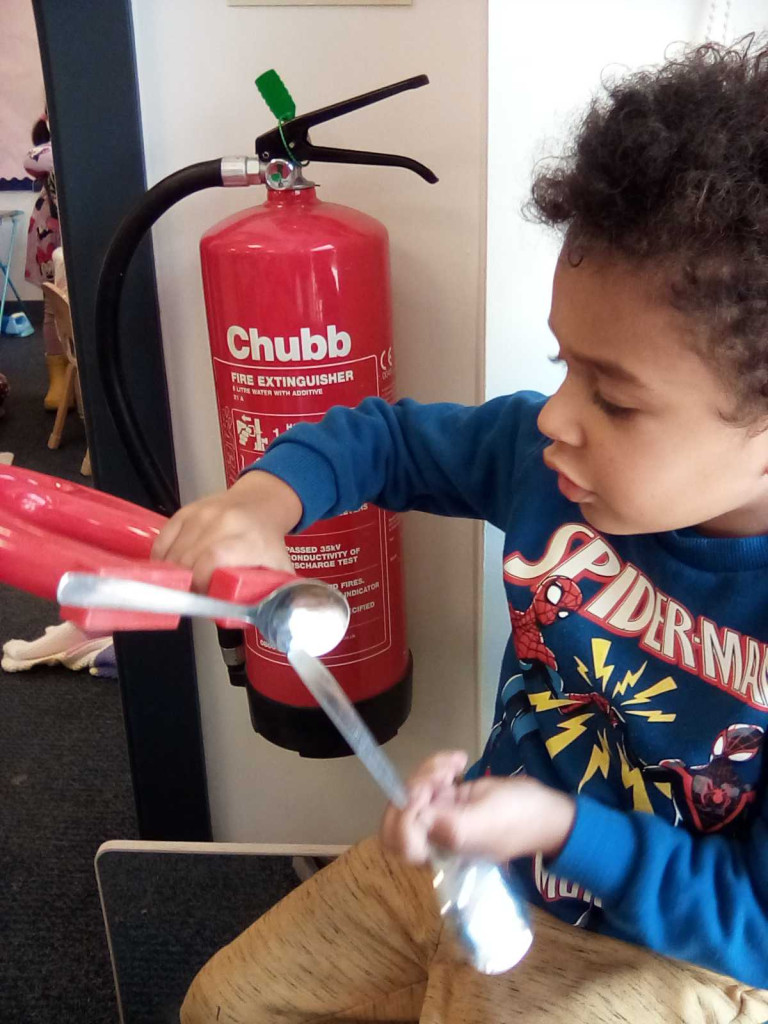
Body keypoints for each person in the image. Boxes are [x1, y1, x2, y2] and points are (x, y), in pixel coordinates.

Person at [156, 37, 768, 1024]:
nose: (556, 415)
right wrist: (262, 501)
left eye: (614, 398)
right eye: (564, 364)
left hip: (667, 947)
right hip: (472, 860)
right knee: (225, 1004)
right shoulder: (541, 458)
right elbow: (384, 439)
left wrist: (562, 829)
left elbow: (757, 919)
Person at [24, 112, 67, 411]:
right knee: (53, 305)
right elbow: (32, 159)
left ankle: (74, 379)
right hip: (49, 236)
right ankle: (58, 380)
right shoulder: (51, 152)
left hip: (71, 233)